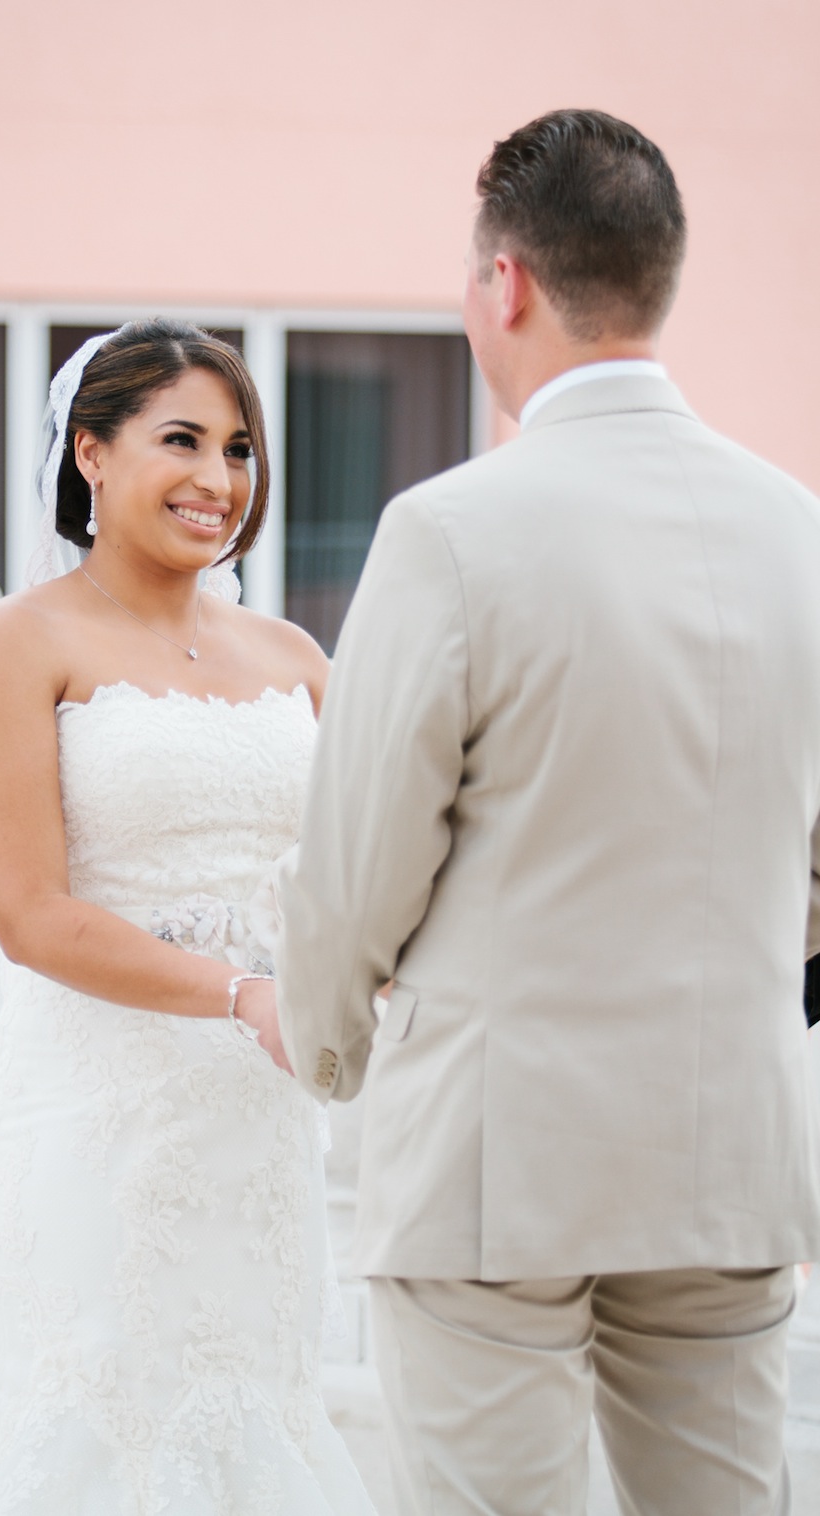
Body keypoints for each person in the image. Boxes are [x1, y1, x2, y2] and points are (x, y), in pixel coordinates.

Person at [274, 110, 820, 1516]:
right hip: (732, 1152)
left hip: (492, 1164)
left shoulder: (451, 530)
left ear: (505, 282)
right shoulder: (802, 533)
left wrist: (329, 1048)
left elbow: (358, 864)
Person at [0, 318, 375, 1514]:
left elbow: (375, 856)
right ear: (89, 451)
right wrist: (240, 994)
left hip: (264, 1113)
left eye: (239, 450)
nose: (219, 481)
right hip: (94, 1105)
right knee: (103, 1420)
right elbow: (29, 914)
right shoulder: (11, 645)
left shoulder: (291, 653)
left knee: (261, 1405)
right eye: (180, 439)